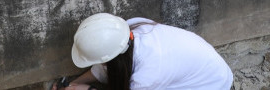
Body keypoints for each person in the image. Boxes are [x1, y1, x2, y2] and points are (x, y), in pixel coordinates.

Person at [54, 13, 234, 90]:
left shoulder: (147, 75)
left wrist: (89, 89)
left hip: (212, 84)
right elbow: (105, 66)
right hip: (202, 69)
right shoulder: (128, 29)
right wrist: (71, 84)